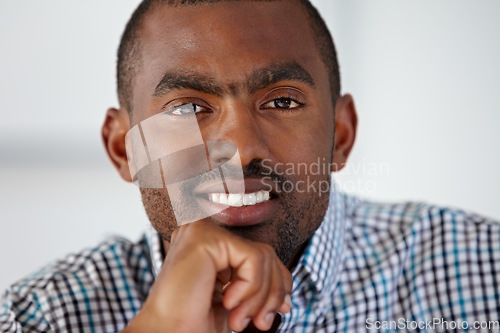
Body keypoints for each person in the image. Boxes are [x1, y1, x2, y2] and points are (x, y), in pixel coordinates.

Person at [1, 0, 499, 332]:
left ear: (340, 136)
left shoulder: (487, 276)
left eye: (282, 102)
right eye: (188, 108)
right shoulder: (39, 317)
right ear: (124, 150)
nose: (239, 149)